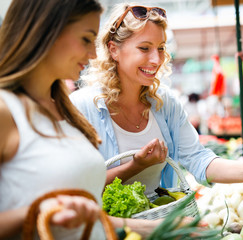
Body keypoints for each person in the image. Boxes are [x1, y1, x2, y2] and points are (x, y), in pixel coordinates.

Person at [70, 3, 243, 196]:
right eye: (144, 48)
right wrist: (135, 166)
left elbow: (199, 160)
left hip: (163, 223)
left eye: (161, 48)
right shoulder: (82, 107)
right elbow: (77, 187)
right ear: (113, 50)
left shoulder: (164, 103)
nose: (156, 59)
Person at [0, 1, 162, 239]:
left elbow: (89, 217)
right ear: (46, 31)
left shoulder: (66, 113)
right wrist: (37, 212)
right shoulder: (6, 111)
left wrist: (161, 227)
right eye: (86, 39)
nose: (94, 54)